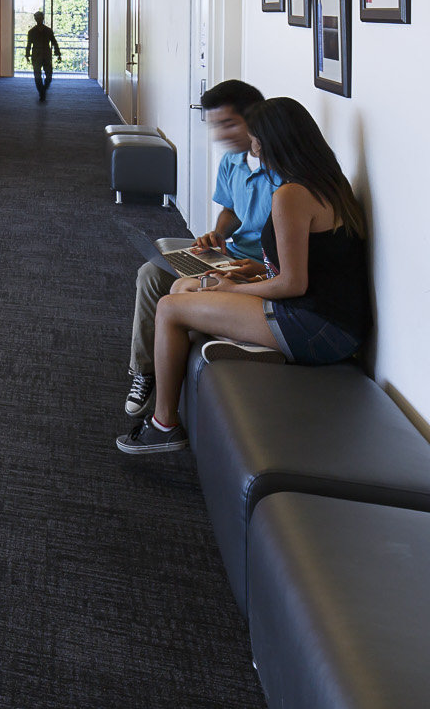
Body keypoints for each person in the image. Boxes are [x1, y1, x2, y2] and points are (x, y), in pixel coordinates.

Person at [120, 97, 370, 454]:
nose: (250, 146)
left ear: (270, 142)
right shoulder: (329, 182)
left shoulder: (291, 195)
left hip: (317, 327)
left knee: (171, 308)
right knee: (182, 284)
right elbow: (316, 266)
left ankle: (164, 426)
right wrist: (253, 272)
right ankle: (242, 344)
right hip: (332, 321)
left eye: (254, 138)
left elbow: (293, 284)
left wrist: (232, 289)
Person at [121, 79, 271, 417]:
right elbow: (231, 210)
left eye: (229, 123)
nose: (220, 134)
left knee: (178, 290)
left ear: (256, 119)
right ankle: (143, 372)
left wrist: (242, 266)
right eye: (216, 125)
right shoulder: (233, 161)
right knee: (152, 272)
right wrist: (216, 235)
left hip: (258, 270)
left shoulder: (281, 172)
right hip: (229, 256)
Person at [26, 11, 61, 98]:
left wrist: (58, 54)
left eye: (40, 18)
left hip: (46, 55)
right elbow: (29, 44)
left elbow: (54, 42)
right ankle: (41, 92)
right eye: (37, 18)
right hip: (36, 56)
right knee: (37, 75)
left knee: (49, 75)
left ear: (43, 18)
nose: (39, 20)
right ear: (35, 19)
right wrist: (27, 55)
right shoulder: (32, 32)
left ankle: (44, 88)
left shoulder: (48, 31)